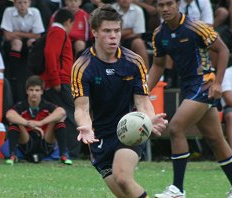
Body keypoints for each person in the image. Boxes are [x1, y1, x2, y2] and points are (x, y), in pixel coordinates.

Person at [149, 0, 232, 197]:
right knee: (216, 139)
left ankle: (177, 189)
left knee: (176, 127)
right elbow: (158, 65)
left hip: (204, 84)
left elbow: (223, 50)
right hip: (189, 87)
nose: (165, 8)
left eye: (169, 3)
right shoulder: (158, 34)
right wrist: (144, 90)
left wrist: (218, 83)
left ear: (178, 4)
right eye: (160, 5)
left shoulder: (196, 27)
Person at [71, 5, 167, 197]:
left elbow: (142, 102)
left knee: (123, 177)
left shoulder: (134, 62)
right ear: (95, 32)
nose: (113, 36)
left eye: (117, 31)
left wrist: (149, 119)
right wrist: (86, 126)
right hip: (100, 137)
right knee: (126, 194)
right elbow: (81, 108)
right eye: (107, 31)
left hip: (129, 129)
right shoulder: (82, 66)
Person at [5, 75, 73, 165]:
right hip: (26, 142)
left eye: (37, 90)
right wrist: (28, 123)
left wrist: (40, 123)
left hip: (45, 142)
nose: (34, 93)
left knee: (59, 120)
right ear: (27, 91)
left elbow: (62, 112)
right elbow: (9, 115)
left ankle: (63, 155)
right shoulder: (22, 105)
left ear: (41, 92)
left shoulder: (46, 105)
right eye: (31, 90)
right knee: (14, 121)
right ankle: (12, 156)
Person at [42, 8, 81, 159]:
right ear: (68, 22)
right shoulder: (58, 32)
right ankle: (69, 151)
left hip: (60, 80)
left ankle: (63, 151)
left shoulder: (55, 32)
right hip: (61, 81)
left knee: (64, 115)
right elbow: (50, 54)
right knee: (71, 115)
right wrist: (55, 80)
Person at [0, 0, 45, 103]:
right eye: (19, 2)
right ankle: (14, 72)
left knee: (32, 42)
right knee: (17, 43)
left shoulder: (35, 12)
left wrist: (17, 33)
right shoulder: (8, 11)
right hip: (13, 44)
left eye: (25, 2)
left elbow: (38, 35)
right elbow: (7, 36)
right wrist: (25, 34)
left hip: (27, 43)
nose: (22, 5)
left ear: (29, 3)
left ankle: (30, 69)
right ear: (15, 3)